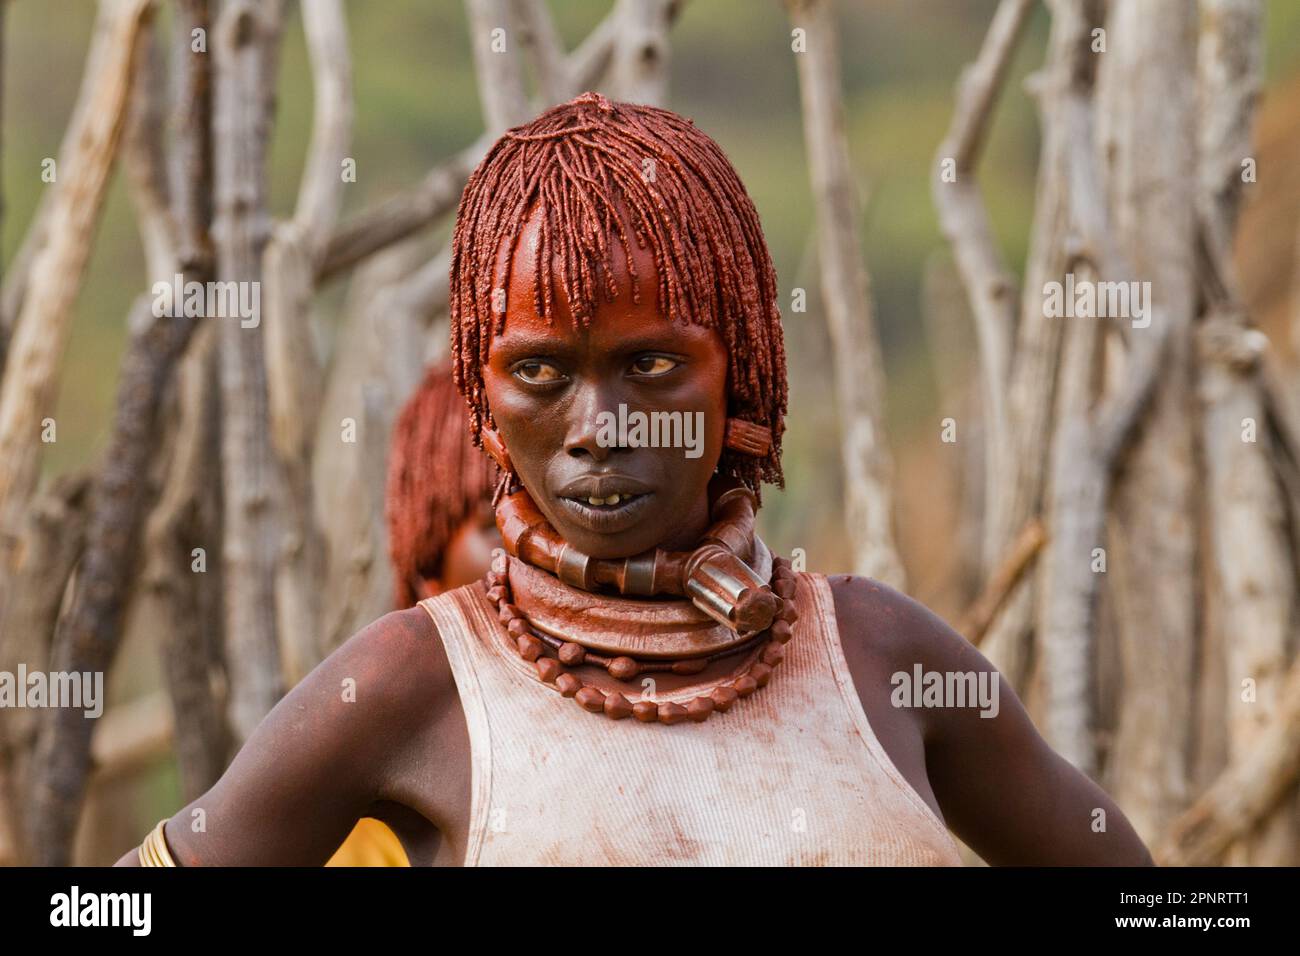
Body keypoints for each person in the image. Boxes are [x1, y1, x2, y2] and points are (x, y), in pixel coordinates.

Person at [117, 92, 1152, 867]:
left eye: (650, 363)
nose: (598, 429)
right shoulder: (412, 683)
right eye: (539, 373)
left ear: (736, 367)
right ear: (481, 393)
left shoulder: (879, 654)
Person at [325, 361, 498, 866]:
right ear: (429, 567)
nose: (527, 547)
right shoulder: (365, 808)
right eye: (492, 523)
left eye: (541, 515)